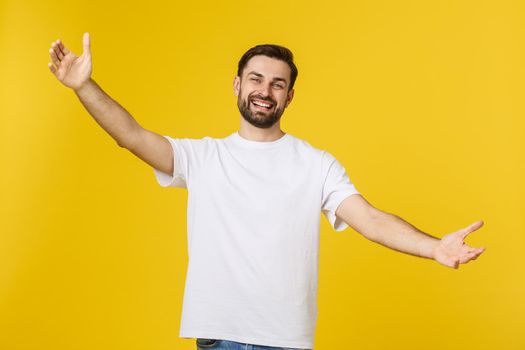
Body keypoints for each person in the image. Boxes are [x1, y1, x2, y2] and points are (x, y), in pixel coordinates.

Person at [48, 33, 486, 350]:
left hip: (285, 341)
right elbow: (131, 136)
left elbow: (369, 218)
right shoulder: (203, 157)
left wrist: (433, 248)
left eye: (277, 84)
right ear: (237, 85)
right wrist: (84, 85)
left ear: (290, 96)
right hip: (219, 337)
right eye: (255, 79)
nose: (265, 90)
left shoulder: (315, 163)